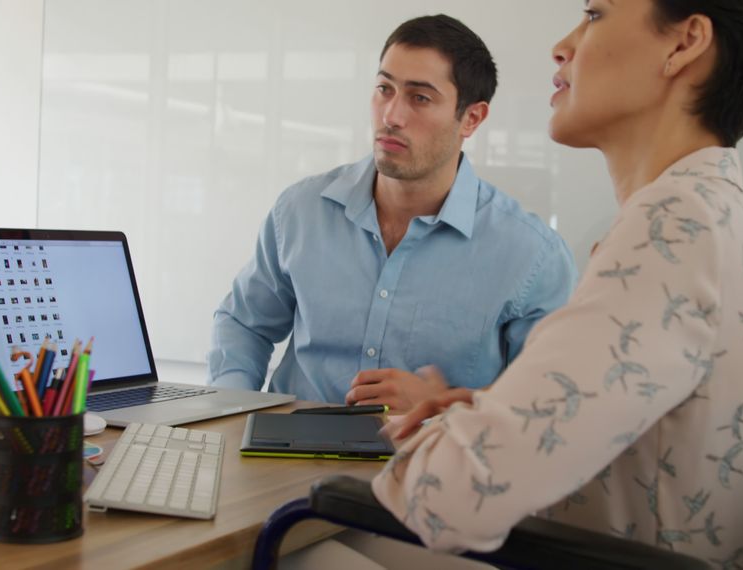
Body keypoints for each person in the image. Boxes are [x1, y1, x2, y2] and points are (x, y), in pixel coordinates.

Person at [373, 0, 743, 567]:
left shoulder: (674, 227)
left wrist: (446, 436)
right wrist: (493, 413)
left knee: (294, 539)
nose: (562, 46)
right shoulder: (730, 217)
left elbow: (445, 501)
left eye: (594, 14)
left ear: (684, 45)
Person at [208, 15, 576, 412]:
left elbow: (552, 406)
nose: (391, 115)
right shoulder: (300, 211)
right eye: (384, 89)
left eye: (420, 98)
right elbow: (244, 324)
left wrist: (445, 406)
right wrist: (234, 411)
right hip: (283, 460)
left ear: (471, 118)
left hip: (432, 466)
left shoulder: (533, 255)